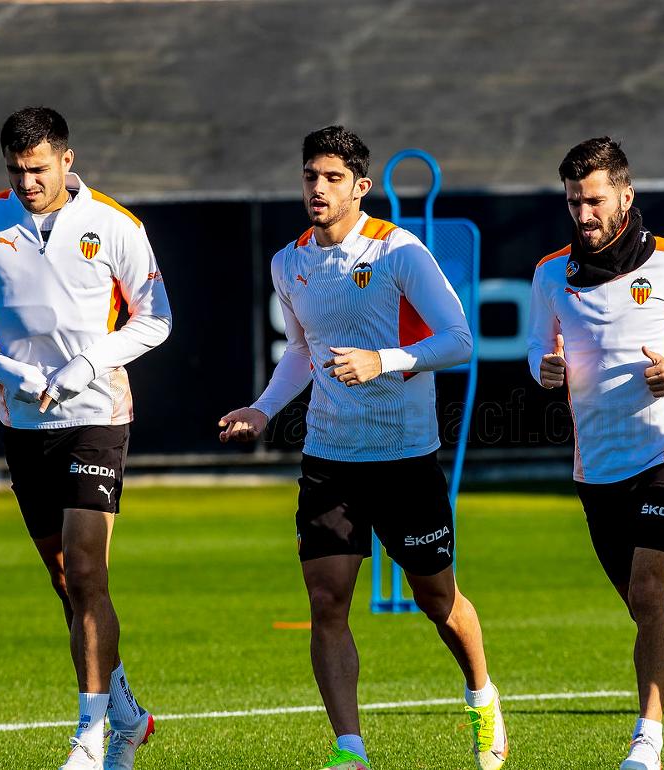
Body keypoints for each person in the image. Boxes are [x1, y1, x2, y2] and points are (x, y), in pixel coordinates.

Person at [217, 125, 507, 770]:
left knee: (438, 601)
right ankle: (349, 748)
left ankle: (482, 695)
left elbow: (459, 339)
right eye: (309, 177)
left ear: (361, 187)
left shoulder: (399, 250)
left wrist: (385, 359)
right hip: (329, 458)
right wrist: (262, 412)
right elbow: (300, 351)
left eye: (332, 178)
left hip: (406, 457)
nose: (318, 189)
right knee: (327, 602)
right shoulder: (288, 260)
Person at [0, 106, 171, 770]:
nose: (27, 183)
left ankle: (89, 738)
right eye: (15, 171)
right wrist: (10, 371)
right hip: (24, 421)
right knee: (67, 581)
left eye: (37, 169)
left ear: (67, 159)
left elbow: (156, 320)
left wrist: (85, 366)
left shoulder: (116, 225)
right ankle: (127, 718)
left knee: (89, 571)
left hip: (97, 414)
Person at [528, 137, 664, 770]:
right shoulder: (550, 274)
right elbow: (541, 350)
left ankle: (646, 741)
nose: (584, 215)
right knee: (648, 607)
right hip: (597, 463)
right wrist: (545, 368)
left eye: (594, 201)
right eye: (573, 203)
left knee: (649, 590)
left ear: (626, 194)